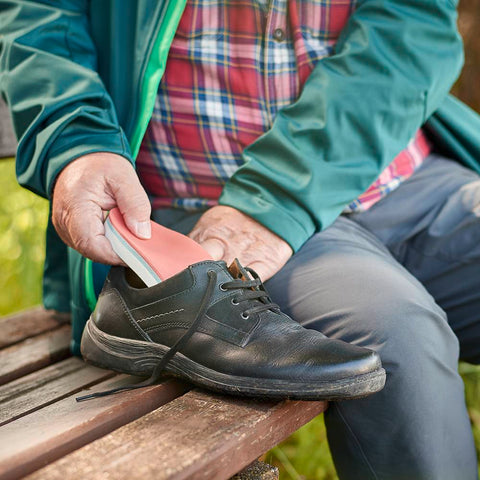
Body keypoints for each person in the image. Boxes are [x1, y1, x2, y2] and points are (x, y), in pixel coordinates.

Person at [1, 0, 479, 478]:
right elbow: (44, 17)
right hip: (200, 211)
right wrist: (75, 144)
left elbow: (412, 28)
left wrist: (278, 195)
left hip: (401, 174)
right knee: (396, 339)